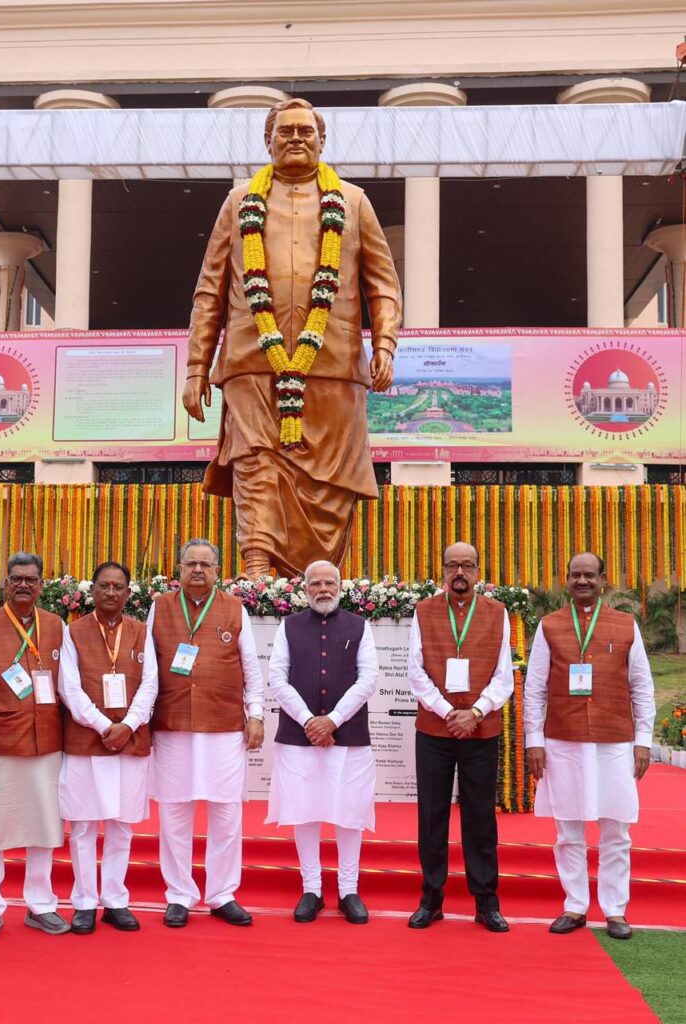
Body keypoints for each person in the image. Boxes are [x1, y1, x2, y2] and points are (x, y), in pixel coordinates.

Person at [184, 98, 401, 579]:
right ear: (268, 141)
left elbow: (383, 285)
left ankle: (319, 580)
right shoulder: (239, 202)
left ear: (322, 141)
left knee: (329, 485)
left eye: (307, 131)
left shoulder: (353, 202)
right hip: (250, 359)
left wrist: (385, 344)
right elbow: (210, 290)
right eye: (286, 131)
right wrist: (197, 367)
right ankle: (257, 569)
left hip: (334, 364)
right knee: (254, 461)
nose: (297, 138)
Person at [524, 552, 655, 940]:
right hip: (563, 742)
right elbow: (534, 689)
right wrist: (534, 741)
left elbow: (642, 687)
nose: (582, 581)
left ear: (603, 580)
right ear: (566, 580)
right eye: (575, 575)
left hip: (614, 742)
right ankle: (575, 905)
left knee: (617, 830)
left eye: (589, 575)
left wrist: (643, 741)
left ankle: (615, 909)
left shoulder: (625, 624)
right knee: (568, 830)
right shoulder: (549, 625)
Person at [147, 538, 264, 927]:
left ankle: (222, 893)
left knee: (226, 813)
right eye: (191, 564)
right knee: (174, 813)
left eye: (205, 564)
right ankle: (179, 894)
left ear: (218, 571)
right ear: (179, 569)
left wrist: (256, 714)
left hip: (224, 726)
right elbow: (148, 669)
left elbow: (251, 668)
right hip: (173, 725)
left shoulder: (235, 608)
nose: (198, 570)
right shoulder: (160, 607)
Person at [406, 542, 514, 932]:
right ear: (443, 571)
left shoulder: (497, 613)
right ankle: (431, 899)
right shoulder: (423, 611)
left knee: (480, 818)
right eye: (452, 565)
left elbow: (504, 675)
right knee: (432, 816)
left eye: (467, 565)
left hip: (480, 730)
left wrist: (476, 712)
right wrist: (447, 712)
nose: (460, 573)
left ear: (478, 571)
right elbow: (415, 671)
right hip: (434, 730)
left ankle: (486, 903)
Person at [266, 560, 378, 924]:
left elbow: (368, 679)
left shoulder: (359, 626)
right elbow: (277, 678)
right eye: (316, 583)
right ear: (305, 589)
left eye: (330, 583)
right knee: (304, 809)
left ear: (340, 587)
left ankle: (349, 889)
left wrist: (333, 720)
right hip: (298, 736)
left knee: (350, 811)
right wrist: (309, 721)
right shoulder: (288, 626)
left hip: (349, 736)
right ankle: (311, 888)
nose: (324, 589)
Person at [0, 552, 69, 938]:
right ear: (5, 583)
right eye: (16, 579)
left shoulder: (57, 626)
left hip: (48, 745)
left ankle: (40, 905)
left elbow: (68, 688)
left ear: (41, 585)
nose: (24, 585)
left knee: (44, 827)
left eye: (31, 579)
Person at [58, 561, 158, 934]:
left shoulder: (141, 632)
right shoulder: (73, 632)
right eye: (104, 586)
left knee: (121, 825)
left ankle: (115, 900)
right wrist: (104, 726)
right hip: (87, 742)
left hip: (129, 742)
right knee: (83, 826)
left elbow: (151, 684)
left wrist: (127, 725)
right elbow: (69, 688)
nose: (111, 592)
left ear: (128, 593)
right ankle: (84, 902)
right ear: (93, 590)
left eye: (118, 586)